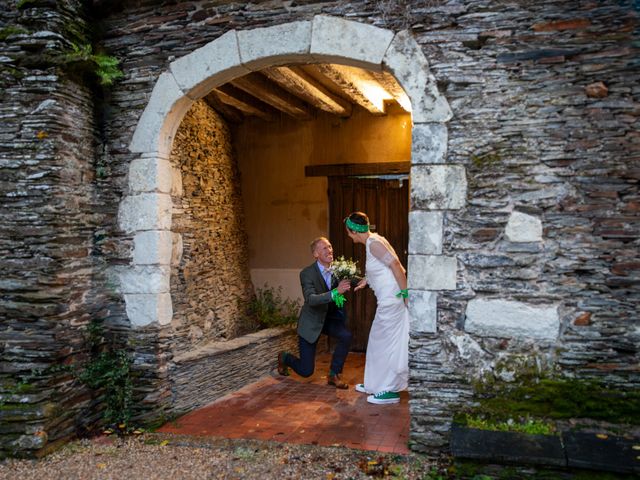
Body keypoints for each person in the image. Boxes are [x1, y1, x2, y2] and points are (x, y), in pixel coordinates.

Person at [346, 211, 409, 405]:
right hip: (387, 299)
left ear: (353, 231)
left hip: (392, 300)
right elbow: (381, 268)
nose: (348, 235)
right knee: (377, 342)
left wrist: (406, 295)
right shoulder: (373, 241)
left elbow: (397, 266)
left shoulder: (374, 244)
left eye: (348, 231)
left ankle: (389, 390)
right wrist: (367, 280)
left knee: (386, 344)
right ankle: (375, 384)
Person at [277, 237, 356, 389]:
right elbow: (311, 299)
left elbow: (354, 279)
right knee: (306, 371)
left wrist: (369, 280)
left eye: (330, 247)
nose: (330, 250)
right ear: (316, 254)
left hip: (330, 319)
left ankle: (334, 374)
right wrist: (335, 292)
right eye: (325, 248)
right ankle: (285, 357)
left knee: (345, 335)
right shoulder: (306, 274)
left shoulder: (339, 269)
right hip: (312, 321)